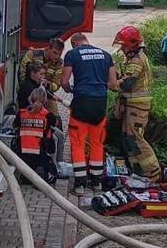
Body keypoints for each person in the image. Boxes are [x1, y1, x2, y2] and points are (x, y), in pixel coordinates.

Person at [61, 32, 118, 198]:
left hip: (81, 102)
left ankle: (79, 185)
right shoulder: (106, 55)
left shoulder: (72, 54)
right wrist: (98, 87)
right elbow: (113, 84)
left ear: (74, 43)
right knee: (97, 143)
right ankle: (96, 182)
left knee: (78, 143)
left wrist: (71, 89)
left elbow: (64, 82)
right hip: (100, 103)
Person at [113, 25, 161, 181]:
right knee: (128, 139)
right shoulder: (133, 58)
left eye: (123, 45)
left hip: (137, 108)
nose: (121, 48)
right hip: (131, 107)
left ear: (131, 44)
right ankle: (138, 171)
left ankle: (153, 172)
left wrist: (112, 83)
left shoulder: (137, 60)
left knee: (136, 139)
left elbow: (127, 84)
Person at [17, 87, 60, 184]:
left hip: (23, 151)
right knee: (48, 162)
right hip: (42, 151)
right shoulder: (48, 115)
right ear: (45, 100)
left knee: (26, 164)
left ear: (30, 98)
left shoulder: (21, 113)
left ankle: (26, 175)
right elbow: (56, 124)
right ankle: (44, 174)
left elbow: (15, 125)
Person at [19, 37, 65, 115]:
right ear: (48, 49)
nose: (57, 57)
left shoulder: (59, 63)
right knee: (22, 116)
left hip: (46, 95)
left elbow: (56, 84)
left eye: (60, 54)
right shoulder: (32, 55)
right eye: (55, 53)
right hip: (27, 93)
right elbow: (22, 75)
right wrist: (34, 92)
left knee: (57, 121)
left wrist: (47, 86)